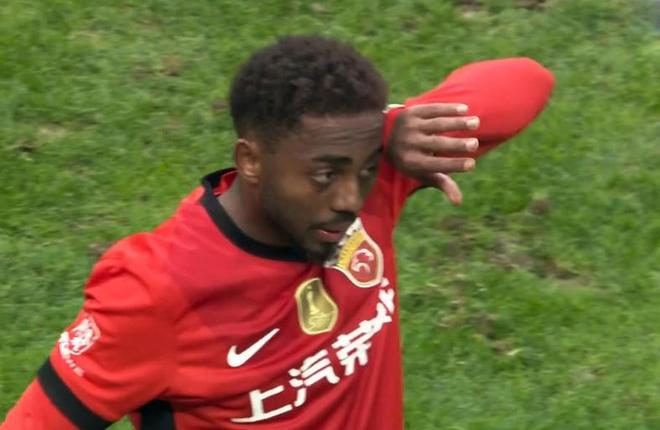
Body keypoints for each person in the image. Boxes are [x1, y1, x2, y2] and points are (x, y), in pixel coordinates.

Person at [1, 35, 554, 429]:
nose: (349, 199)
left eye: (363, 169)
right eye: (325, 174)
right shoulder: (157, 290)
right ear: (251, 161)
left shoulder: (372, 171)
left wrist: (392, 126)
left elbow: (527, 81)